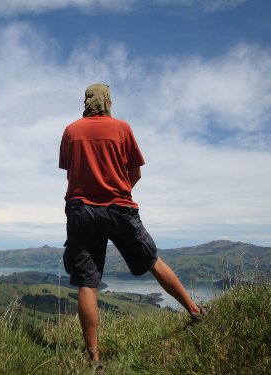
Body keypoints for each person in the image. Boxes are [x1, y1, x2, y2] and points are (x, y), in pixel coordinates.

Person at [59, 83, 206, 367]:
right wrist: (118, 191)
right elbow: (135, 172)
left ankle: (93, 360)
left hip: (81, 211)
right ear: (109, 102)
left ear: (86, 101)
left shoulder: (71, 131)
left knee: (87, 284)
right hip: (119, 209)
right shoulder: (122, 129)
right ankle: (196, 311)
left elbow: (71, 172)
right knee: (152, 259)